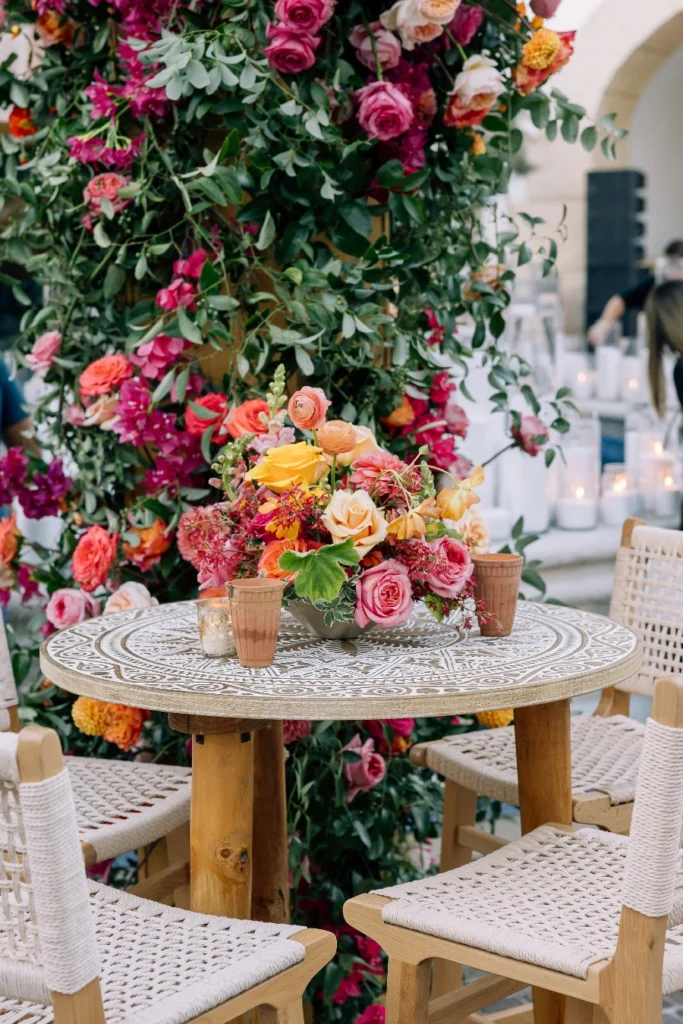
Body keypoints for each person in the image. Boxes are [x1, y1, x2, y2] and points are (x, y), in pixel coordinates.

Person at [588, 239, 683, 347]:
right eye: (669, 266)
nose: (672, 272)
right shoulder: (655, 285)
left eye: (677, 266)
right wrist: (603, 325)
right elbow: (621, 300)